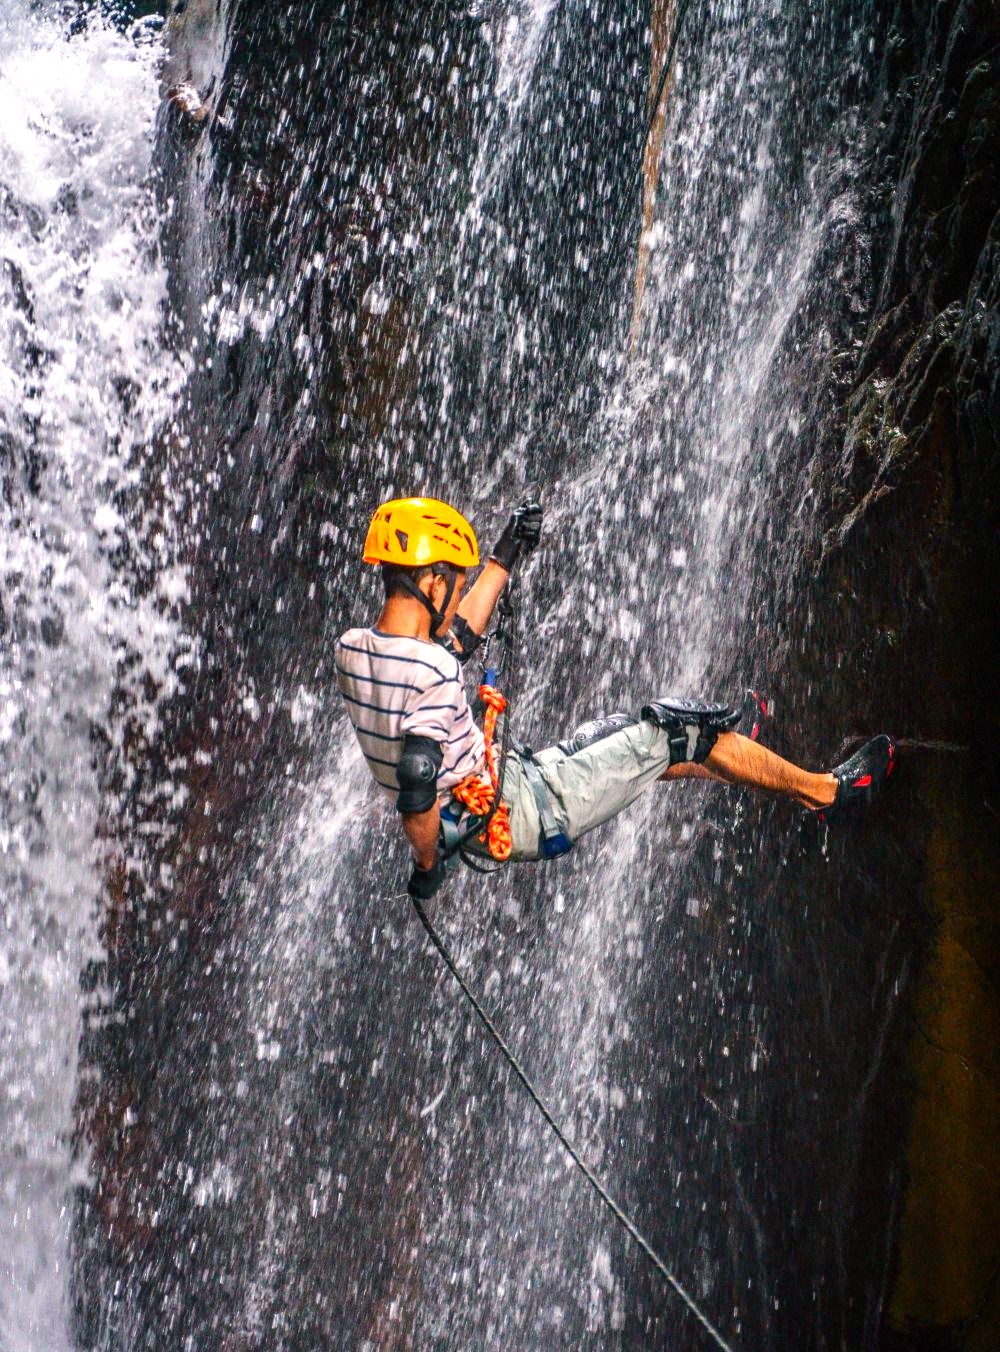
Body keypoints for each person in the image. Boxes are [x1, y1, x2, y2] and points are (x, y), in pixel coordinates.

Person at [336, 497, 896, 899]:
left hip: (501, 788)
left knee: (615, 736)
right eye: (457, 582)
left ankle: (733, 751)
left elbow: (454, 640)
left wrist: (502, 557)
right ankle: (826, 792)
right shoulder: (431, 670)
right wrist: (428, 862)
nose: (459, 591)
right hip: (525, 809)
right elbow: (416, 773)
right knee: (674, 733)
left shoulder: (356, 651)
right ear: (432, 583)